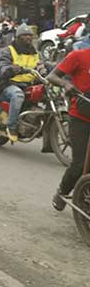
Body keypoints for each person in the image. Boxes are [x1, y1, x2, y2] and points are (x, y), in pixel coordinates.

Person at [48, 47, 90, 211]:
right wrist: (66, 83)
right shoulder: (78, 56)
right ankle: (62, 192)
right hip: (80, 117)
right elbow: (52, 76)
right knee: (79, 165)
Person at [0, 26, 40, 142]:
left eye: (30, 35)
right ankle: (12, 127)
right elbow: (1, 67)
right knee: (18, 95)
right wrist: (11, 69)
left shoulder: (34, 52)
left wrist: (49, 68)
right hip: (8, 83)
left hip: (28, 84)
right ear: (18, 37)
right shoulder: (8, 51)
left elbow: (41, 64)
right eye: (25, 35)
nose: (28, 38)